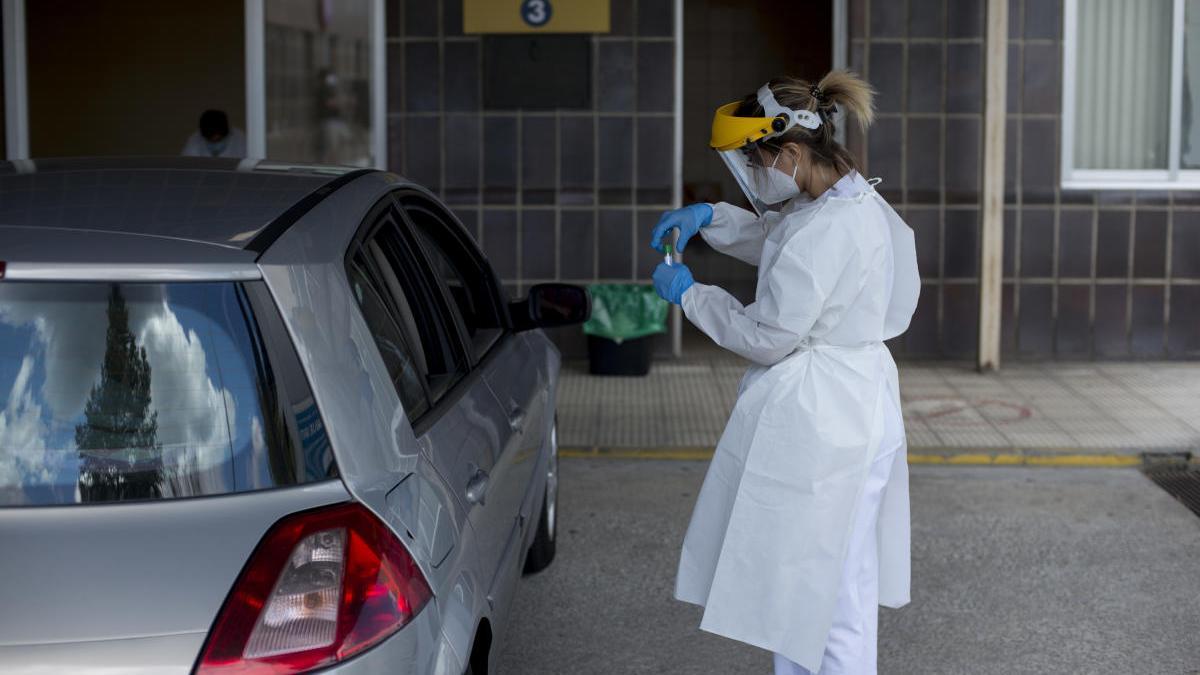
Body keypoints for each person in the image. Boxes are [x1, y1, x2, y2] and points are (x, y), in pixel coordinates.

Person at [650, 70, 920, 675]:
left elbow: (767, 337)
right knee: (828, 586)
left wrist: (692, 296)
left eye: (756, 159)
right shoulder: (845, 198)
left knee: (821, 596)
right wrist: (712, 219)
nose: (753, 173)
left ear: (792, 152)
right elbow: (783, 238)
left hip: (827, 426)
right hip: (858, 406)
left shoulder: (826, 226)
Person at [181, 109, 246, 158]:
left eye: (219, 140)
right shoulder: (194, 142)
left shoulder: (241, 140)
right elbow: (187, 166)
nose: (216, 144)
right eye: (211, 141)